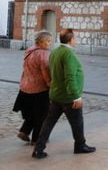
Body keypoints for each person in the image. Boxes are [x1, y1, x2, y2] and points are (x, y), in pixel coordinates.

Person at [32, 28, 96, 159]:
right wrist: (76, 96)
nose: (76, 40)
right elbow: (70, 77)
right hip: (68, 97)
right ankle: (80, 146)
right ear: (71, 40)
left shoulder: (55, 52)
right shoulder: (68, 54)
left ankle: (38, 149)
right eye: (75, 38)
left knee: (48, 122)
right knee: (77, 122)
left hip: (56, 94)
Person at [13, 31, 52, 145]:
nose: (49, 43)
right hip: (38, 88)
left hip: (25, 87)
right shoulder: (43, 54)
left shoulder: (29, 50)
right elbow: (45, 73)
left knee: (31, 113)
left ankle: (24, 132)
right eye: (48, 41)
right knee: (42, 114)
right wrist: (50, 84)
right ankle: (37, 139)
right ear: (40, 42)